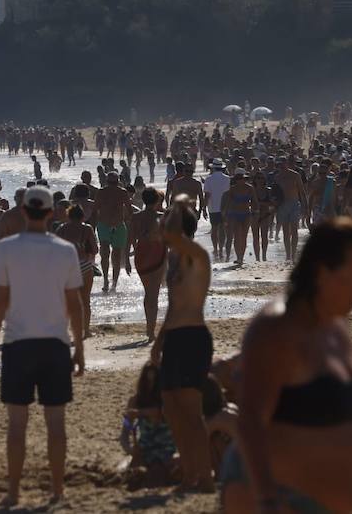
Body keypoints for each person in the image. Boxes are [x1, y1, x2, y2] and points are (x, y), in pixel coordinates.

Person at [231, 220, 352, 514]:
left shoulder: (334, 326)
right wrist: (267, 500)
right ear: (323, 272)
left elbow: (345, 430)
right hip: (280, 496)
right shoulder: (276, 330)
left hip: (335, 499)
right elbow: (250, 421)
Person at [0, 185, 85, 508]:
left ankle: (14, 493)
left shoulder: (6, 248)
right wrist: (79, 346)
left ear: (24, 211)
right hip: (55, 345)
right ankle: (58, 492)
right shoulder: (65, 250)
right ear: (52, 213)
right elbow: (76, 304)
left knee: (17, 425)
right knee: (56, 424)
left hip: (17, 344)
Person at [151, 195, 214, 491]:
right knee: (172, 410)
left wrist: (178, 204)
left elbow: (172, 233)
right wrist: (158, 341)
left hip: (193, 337)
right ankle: (190, 474)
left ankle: (205, 476)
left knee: (191, 411)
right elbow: (172, 305)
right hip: (174, 337)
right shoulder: (173, 259)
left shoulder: (196, 254)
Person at [120, 361, 176, 487]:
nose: (150, 386)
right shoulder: (135, 401)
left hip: (167, 450)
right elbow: (125, 433)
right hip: (145, 449)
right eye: (147, 382)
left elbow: (158, 414)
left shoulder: (168, 400)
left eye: (154, 382)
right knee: (124, 472)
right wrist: (129, 450)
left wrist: (139, 413)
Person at [54, 200, 99, 339]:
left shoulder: (61, 229)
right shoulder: (87, 229)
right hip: (85, 265)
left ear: (68, 215)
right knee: (85, 301)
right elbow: (95, 249)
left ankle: (68, 329)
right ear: (82, 216)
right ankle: (86, 331)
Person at [129, 188, 166, 342]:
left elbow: (130, 239)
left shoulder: (136, 217)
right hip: (158, 254)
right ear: (157, 200)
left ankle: (149, 328)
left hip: (141, 255)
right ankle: (150, 331)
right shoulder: (162, 217)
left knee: (148, 292)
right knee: (154, 294)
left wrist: (126, 259)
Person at [202, 159, 232, 263]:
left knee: (214, 228)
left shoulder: (209, 179)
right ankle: (221, 248)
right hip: (225, 207)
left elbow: (207, 195)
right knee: (222, 228)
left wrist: (203, 208)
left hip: (213, 207)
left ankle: (215, 248)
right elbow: (229, 195)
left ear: (213, 168)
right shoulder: (228, 179)